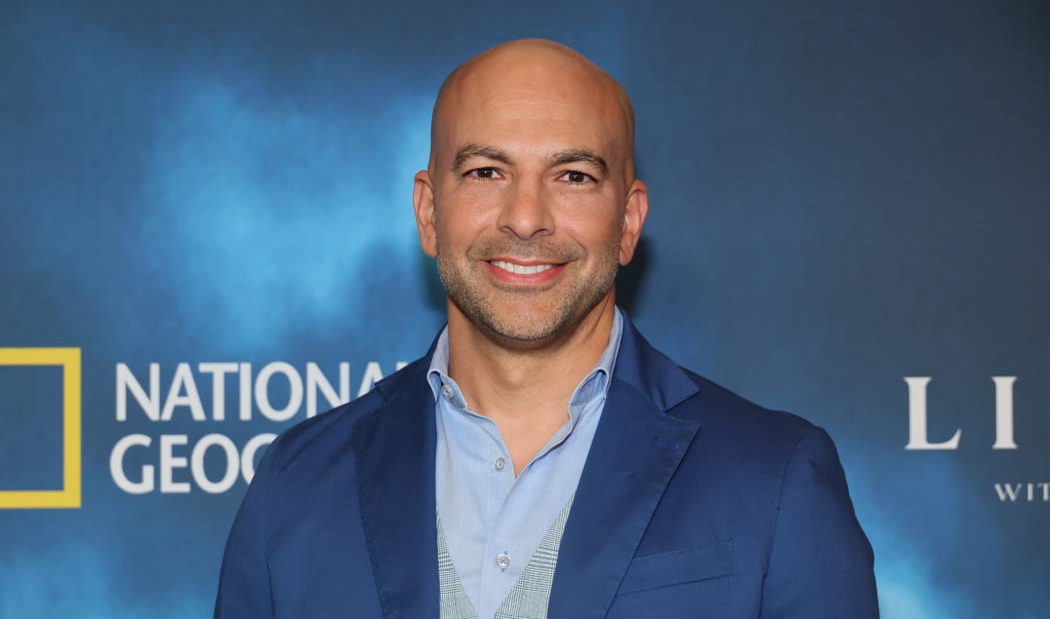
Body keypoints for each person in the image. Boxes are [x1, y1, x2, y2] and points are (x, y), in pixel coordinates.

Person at [215, 39, 878, 618]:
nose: (526, 218)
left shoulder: (775, 476)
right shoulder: (296, 487)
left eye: (573, 176)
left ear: (627, 221)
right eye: (486, 172)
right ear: (428, 211)